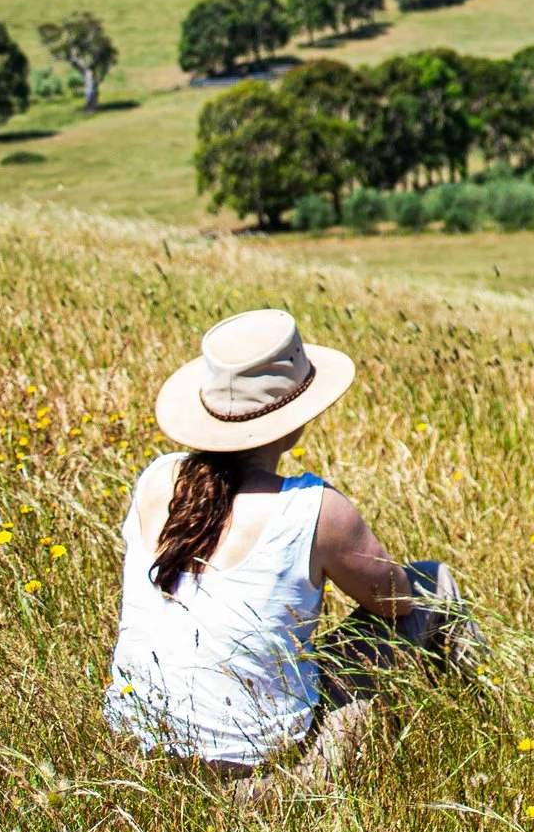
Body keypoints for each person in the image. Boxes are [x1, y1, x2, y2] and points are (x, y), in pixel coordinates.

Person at [105, 309, 474, 791]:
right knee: (431, 581)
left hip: (138, 753)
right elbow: (399, 601)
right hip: (264, 776)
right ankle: (481, 724)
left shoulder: (159, 477)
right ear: (294, 417)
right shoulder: (313, 509)